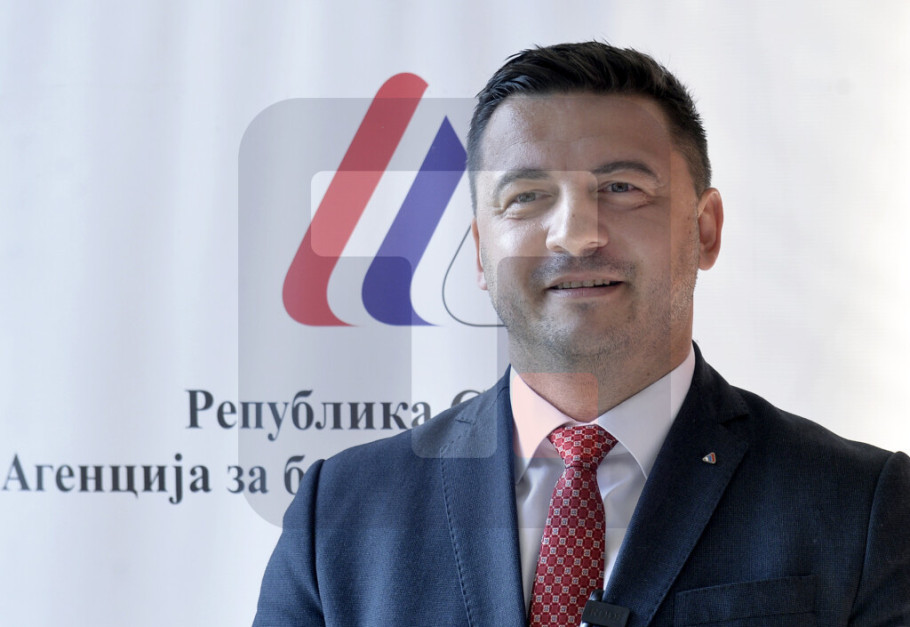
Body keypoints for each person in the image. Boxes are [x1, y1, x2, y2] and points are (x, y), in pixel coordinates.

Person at [252, 42, 910, 626]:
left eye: (621, 187)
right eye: (526, 196)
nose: (575, 234)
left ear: (705, 229)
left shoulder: (863, 505)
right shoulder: (340, 514)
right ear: (479, 252)